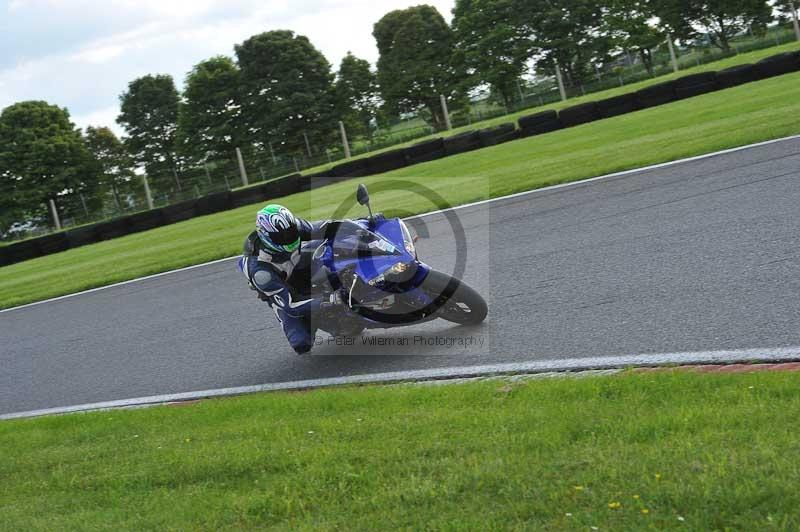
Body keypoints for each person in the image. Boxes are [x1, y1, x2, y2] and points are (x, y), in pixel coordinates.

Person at [238, 204, 348, 354]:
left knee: (333, 245)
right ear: (265, 236)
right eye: (281, 236)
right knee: (301, 343)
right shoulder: (260, 271)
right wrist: (332, 299)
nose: (289, 238)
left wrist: (364, 223)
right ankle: (326, 320)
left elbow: (326, 227)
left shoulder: (295, 227)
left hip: (300, 264)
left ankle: (350, 280)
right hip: (285, 291)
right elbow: (292, 305)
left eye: (291, 232)